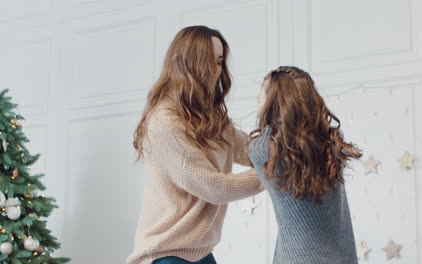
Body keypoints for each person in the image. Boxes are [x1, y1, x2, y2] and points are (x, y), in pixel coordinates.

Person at [127, 25, 263, 264]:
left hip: (198, 251)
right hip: (165, 252)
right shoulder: (165, 122)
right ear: (185, 63)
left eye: (219, 61)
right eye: (207, 60)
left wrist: (288, 146)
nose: (216, 70)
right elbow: (213, 187)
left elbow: (249, 150)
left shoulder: (210, 118)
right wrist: (273, 174)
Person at [248, 66, 362, 264]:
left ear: (274, 102)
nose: (258, 107)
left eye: (260, 100)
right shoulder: (332, 142)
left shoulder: (262, 150)